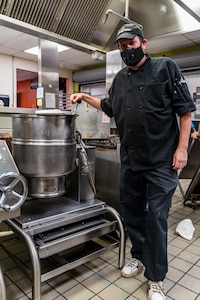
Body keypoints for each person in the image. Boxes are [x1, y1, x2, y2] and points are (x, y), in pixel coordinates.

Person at [70, 23, 196, 300]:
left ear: (144, 43)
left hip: (162, 161)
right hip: (130, 161)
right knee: (133, 214)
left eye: (132, 43)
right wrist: (84, 95)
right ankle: (138, 256)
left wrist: (182, 149)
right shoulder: (120, 79)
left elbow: (186, 112)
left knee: (157, 218)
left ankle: (155, 277)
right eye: (122, 46)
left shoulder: (166, 68)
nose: (128, 49)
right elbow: (108, 107)